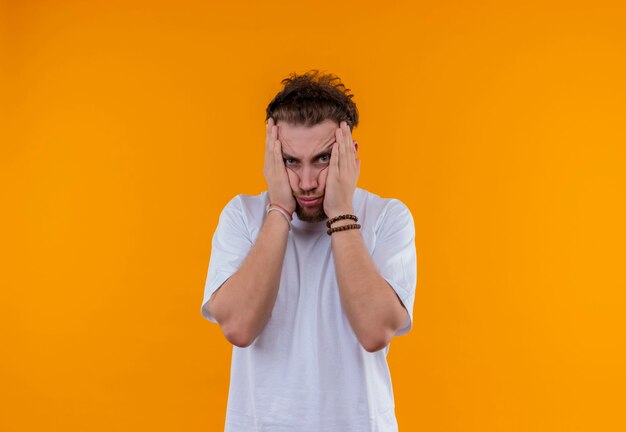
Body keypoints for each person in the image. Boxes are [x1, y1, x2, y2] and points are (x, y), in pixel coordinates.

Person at [200, 70, 417, 431]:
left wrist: (342, 212)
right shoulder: (242, 216)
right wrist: (280, 211)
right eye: (290, 161)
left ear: (350, 153)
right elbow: (238, 327)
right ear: (272, 157)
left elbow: (375, 331)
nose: (306, 182)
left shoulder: (387, 218)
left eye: (322, 159)